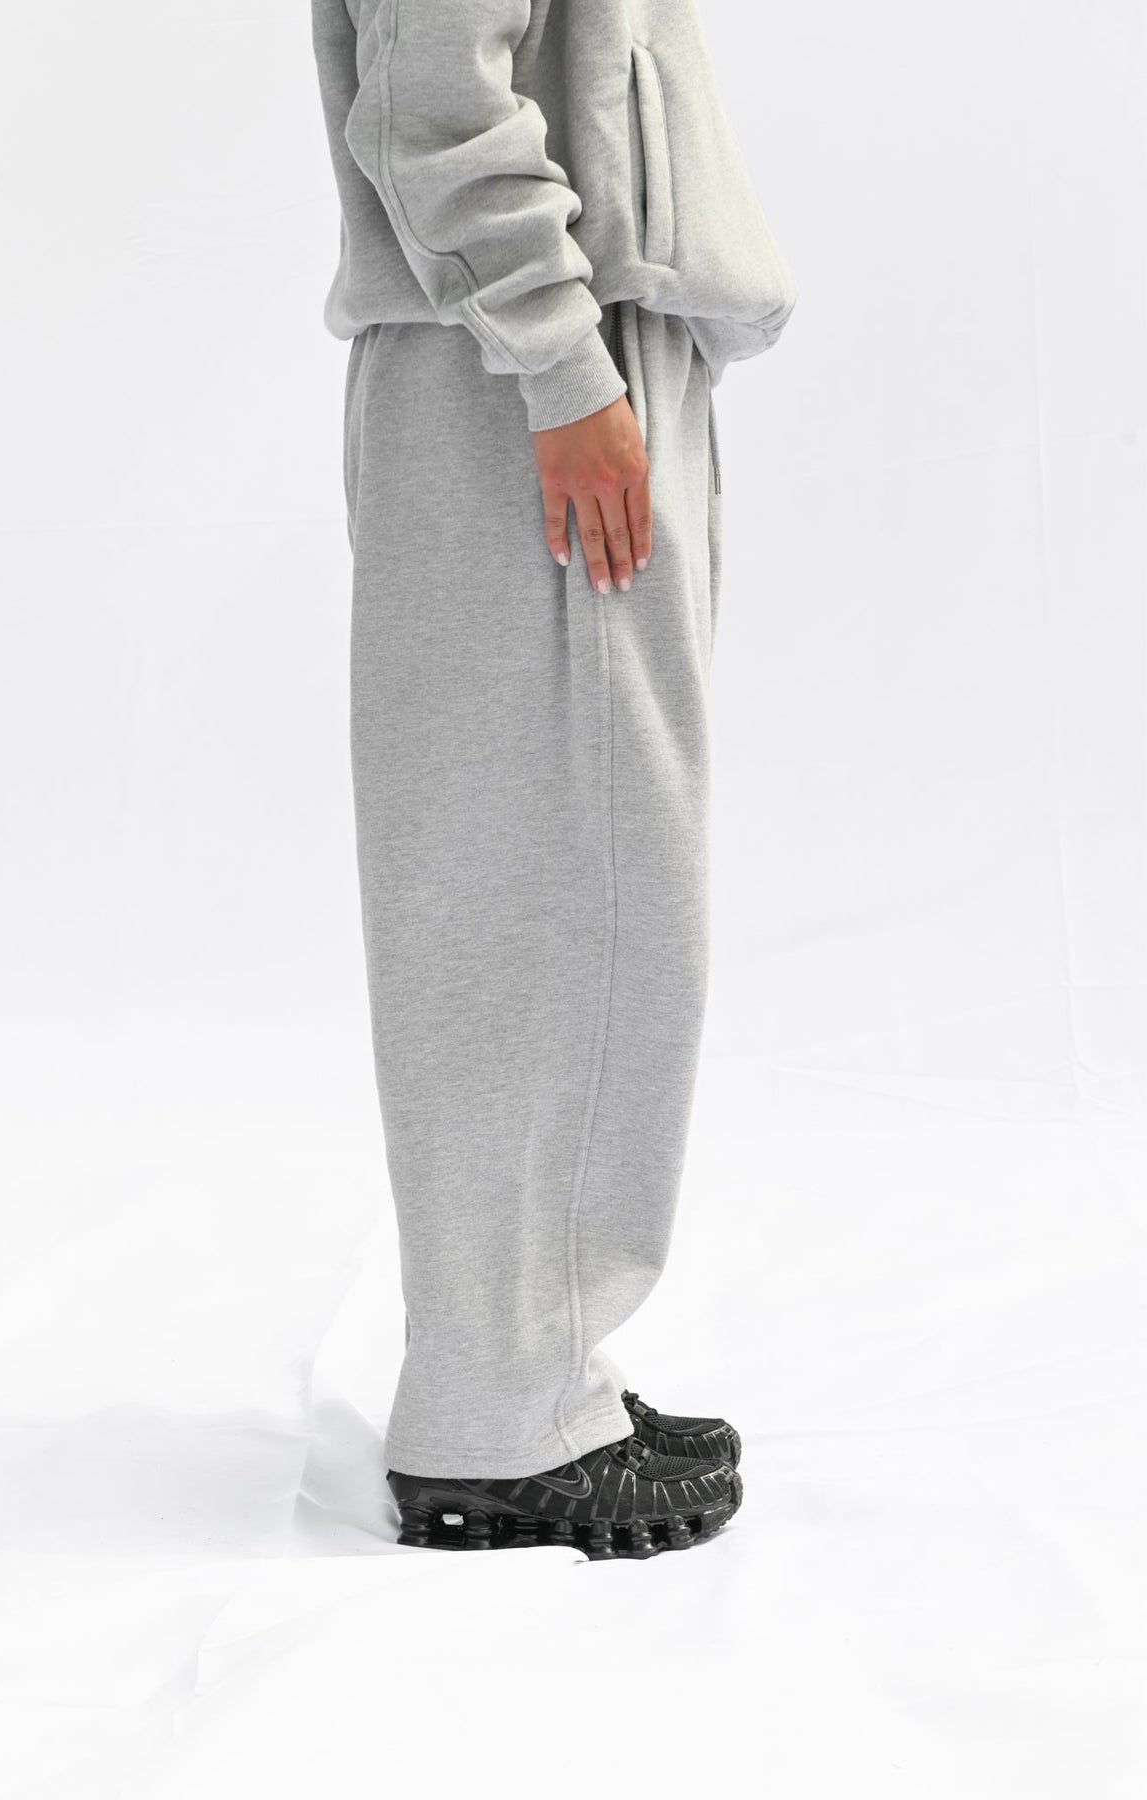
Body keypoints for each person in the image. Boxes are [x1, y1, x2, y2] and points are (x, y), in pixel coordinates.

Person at [310, 0, 797, 1561]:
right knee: (560, 882)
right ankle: (504, 1414)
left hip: (540, 346)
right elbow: (435, 94)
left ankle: (528, 1366)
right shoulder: (545, 359)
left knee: (549, 872)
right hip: (527, 367)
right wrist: (564, 368)